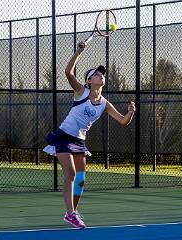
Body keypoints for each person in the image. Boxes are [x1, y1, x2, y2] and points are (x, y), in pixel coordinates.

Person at [43, 41, 136, 229]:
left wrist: (131, 112)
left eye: (101, 74)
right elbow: (68, 72)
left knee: (81, 178)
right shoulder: (81, 91)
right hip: (64, 136)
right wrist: (79, 51)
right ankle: (71, 214)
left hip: (79, 141)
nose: (100, 75)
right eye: (95, 74)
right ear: (89, 81)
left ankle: (71, 212)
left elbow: (123, 121)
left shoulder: (104, 103)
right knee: (70, 173)